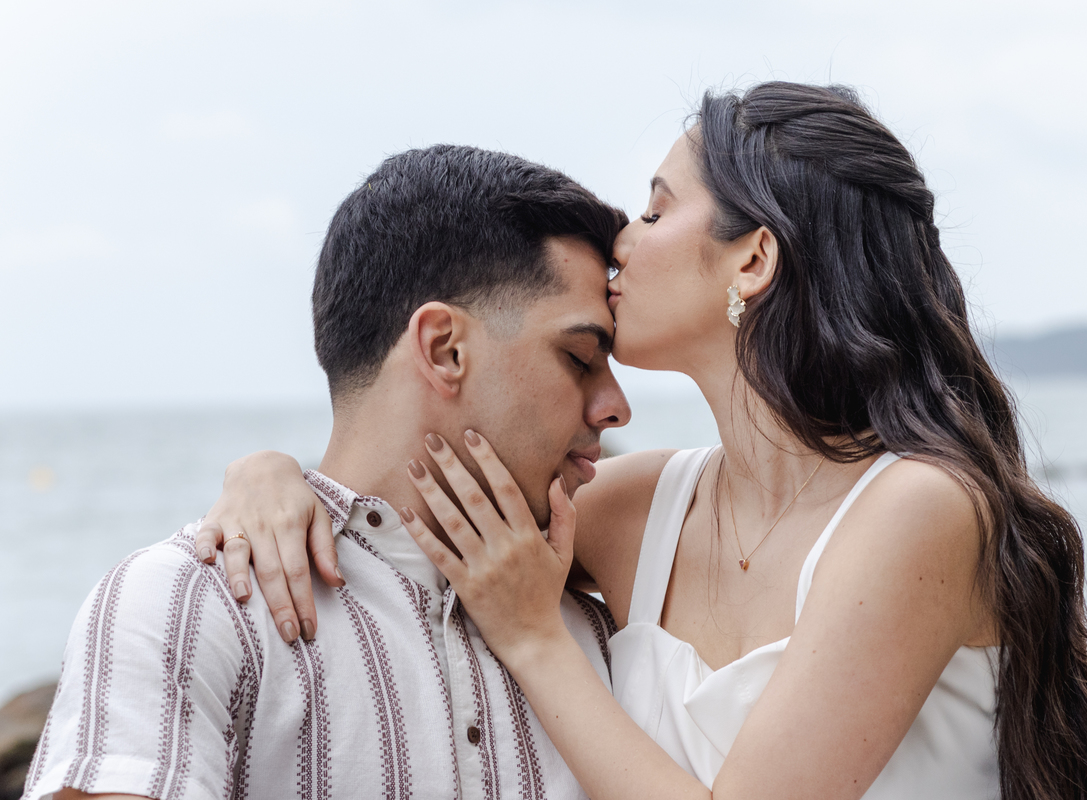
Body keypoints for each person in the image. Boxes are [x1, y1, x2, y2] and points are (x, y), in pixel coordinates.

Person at [196, 83, 1087, 799]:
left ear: (753, 259)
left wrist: (536, 639)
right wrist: (272, 478)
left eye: (653, 210)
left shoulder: (918, 508)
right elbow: (399, 522)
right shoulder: (632, 508)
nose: (621, 242)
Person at [23, 144, 633, 800]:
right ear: (444, 349)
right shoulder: (188, 608)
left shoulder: (607, 635)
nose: (617, 407)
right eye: (579, 358)